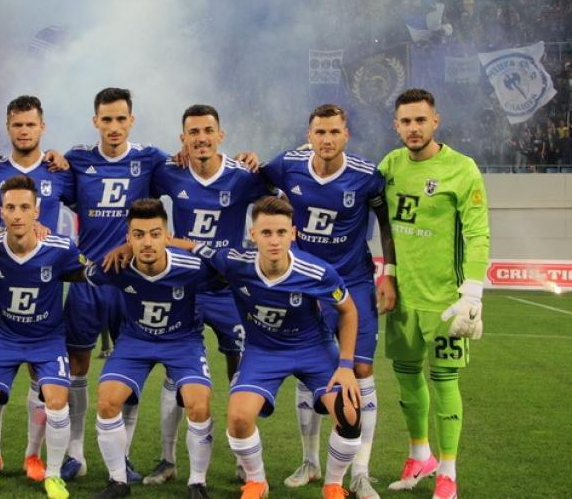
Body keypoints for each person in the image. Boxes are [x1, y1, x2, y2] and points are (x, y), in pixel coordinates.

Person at [177, 196, 362, 499]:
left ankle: (333, 485)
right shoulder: (235, 262)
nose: (274, 240)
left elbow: (349, 311)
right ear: (253, 235)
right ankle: (256, 482)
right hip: (263, 351)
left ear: (293, 233)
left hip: (313, 348)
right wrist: (138, 245)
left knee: (350, 413)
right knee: (238, 418)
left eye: (281, 232)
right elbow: (193, 246)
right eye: (266, 233)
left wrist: (345, 366)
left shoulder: (317, 271)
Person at [260, 104, 395, 499]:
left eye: (334, 132)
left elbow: (386, 223)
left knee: (362, 369)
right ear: (309, 135)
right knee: (310, 368)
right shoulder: (288, 165)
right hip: (305, 284)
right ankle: (310, 461)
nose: (327, 139)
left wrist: (389, 272)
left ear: (346, 134)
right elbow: (253, 182)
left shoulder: (367, 176)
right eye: (320, 132)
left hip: (354, 282)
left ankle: (360, 472)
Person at [142, 104, 268, 486]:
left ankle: (243, 460)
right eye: (193, 132)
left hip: (231, 291)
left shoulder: (243, 175)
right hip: (186, 290)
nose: (201, 138)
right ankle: (167, 460)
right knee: (175, 374)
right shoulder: (169, 171)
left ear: (220, 135)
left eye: (208, 130)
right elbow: (144, 200)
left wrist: (255, 160)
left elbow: (274, 201)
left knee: (241, 372)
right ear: (183, 139)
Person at [379, 89, 489, 499]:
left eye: (420, 120)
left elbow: (478, 234)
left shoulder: (461, 168)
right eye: (406, 121)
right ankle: (419, 456)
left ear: (435, 121)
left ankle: (447, 474)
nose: (414, 128)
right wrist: (389, 273)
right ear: (396, 126)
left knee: (444, 382)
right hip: (403, 300)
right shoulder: (390, 165)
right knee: (407, 382)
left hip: (446, 303)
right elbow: (381, 220)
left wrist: (472, 294)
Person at [60, 88, 170, 482]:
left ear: (131, 120)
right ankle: (75, 452)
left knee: (131, 368)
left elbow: (188, 173)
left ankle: (121, 457)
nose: (114, 126)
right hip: (88, 279)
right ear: (95, 121)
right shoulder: (77, 159)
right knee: (77, 363)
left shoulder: (150, 159)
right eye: (106, 119)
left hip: (134, 284)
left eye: (121, 119)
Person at [0, 176, 84, 499]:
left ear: (36, 211)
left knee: (57, 401)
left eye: (24, 207)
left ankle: (53, 475)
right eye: (10, 207)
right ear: (0, 211)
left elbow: (84, 270)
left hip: (47, 339)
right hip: (4, 338)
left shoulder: (60, 248)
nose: (16, 214)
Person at [86, 199, 214, 499]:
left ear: (166, 236)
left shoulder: (192, 267)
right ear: (128, 238)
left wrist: (191, 246)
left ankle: (198, 483)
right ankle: (118, 482)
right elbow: (84, 273)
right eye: (138, 235)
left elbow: (228, 270)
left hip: (183, 341)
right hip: (135, 340)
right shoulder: (116, 266)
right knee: (107, 401)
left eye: (155, 234)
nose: (147, 242)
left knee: (198, 404)